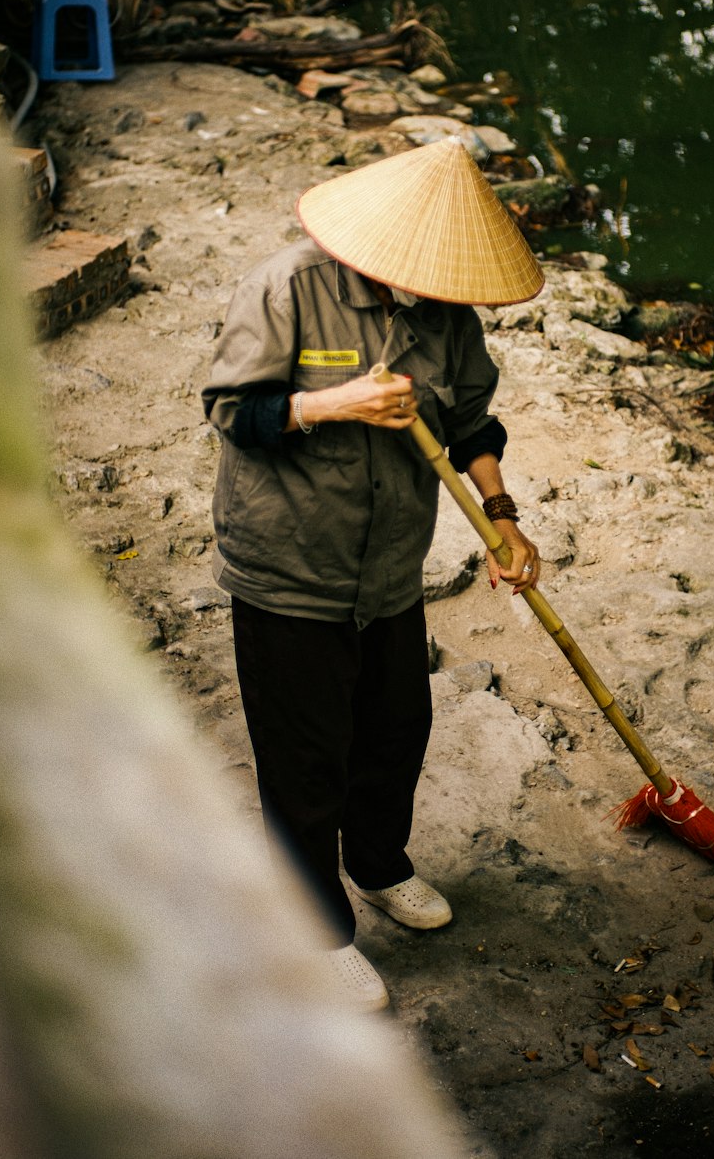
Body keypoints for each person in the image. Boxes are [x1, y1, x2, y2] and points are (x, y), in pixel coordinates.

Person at [203, 136, 545, 1011]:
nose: (435, 285)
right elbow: (232, 413)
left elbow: (472, 423)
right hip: (289, 567)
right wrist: (333, 402)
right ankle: (314, 928)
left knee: (396, 730)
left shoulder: (446, 317)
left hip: (390, 568)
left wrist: (503, 519)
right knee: (304, 758)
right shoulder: (287, 287)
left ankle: (380, 865)